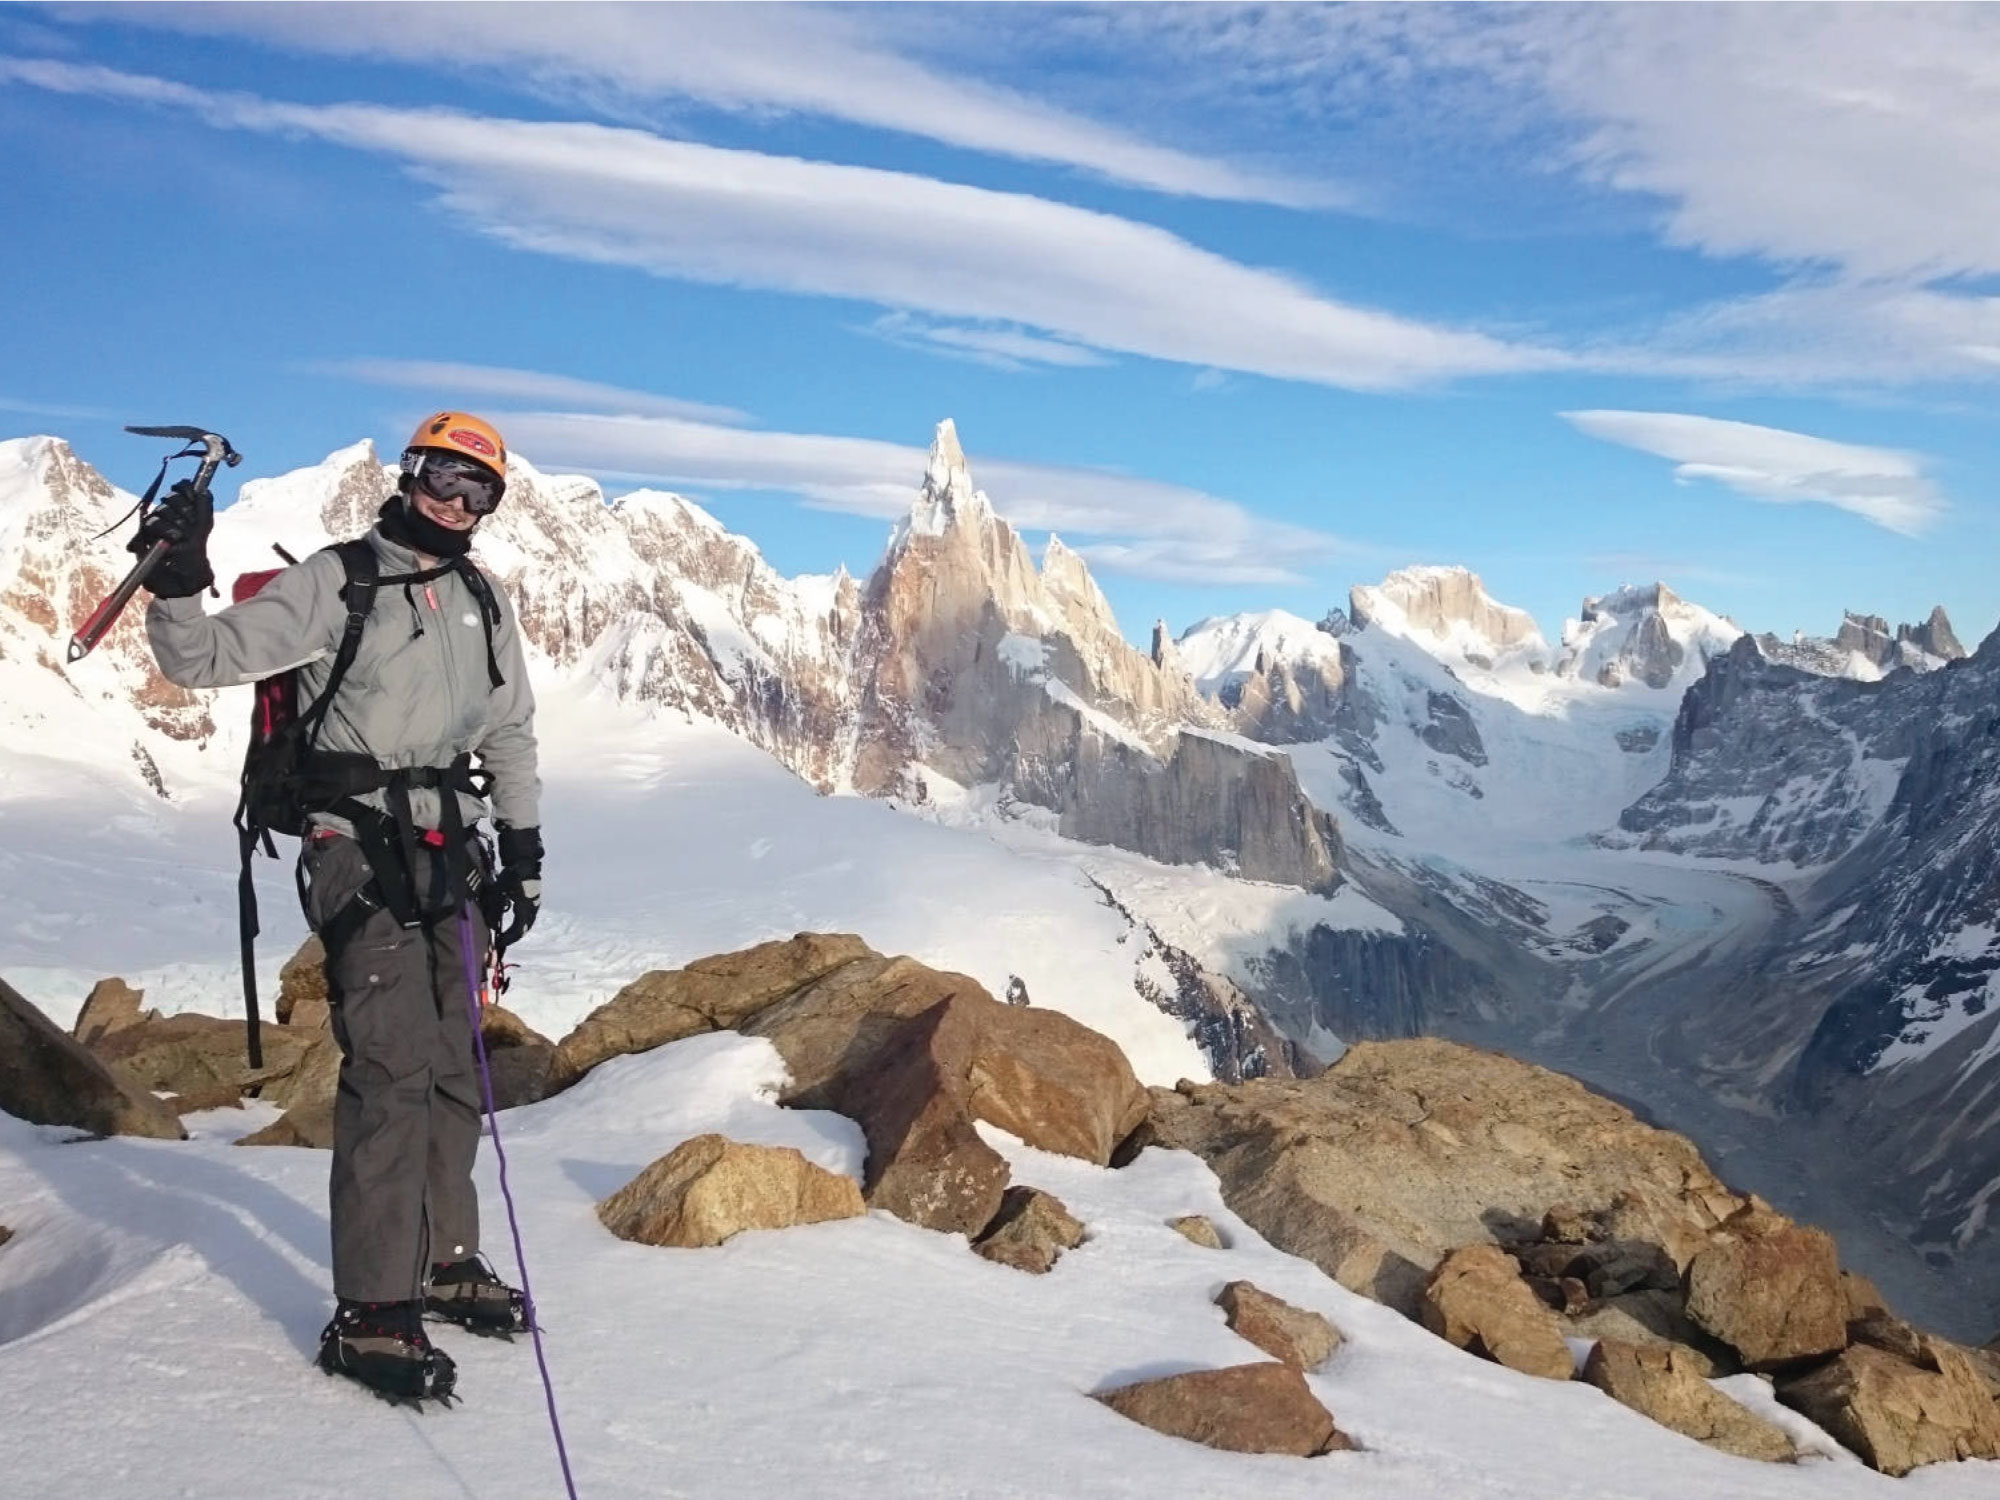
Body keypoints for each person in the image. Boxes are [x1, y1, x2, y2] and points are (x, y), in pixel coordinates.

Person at [139, 411, 543, 1404]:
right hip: (355, 847)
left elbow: (510, 732)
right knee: (391, 1066)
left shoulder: (483, 598)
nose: (457, 501)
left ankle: (445, 1260)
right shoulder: (338, 580)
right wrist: (179, 580)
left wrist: (523, 854)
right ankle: (371, 1306)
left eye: (479, 488)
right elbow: (199, 660)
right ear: (408, 475)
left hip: (454, 849)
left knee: (455, 1064)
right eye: (443, 477)